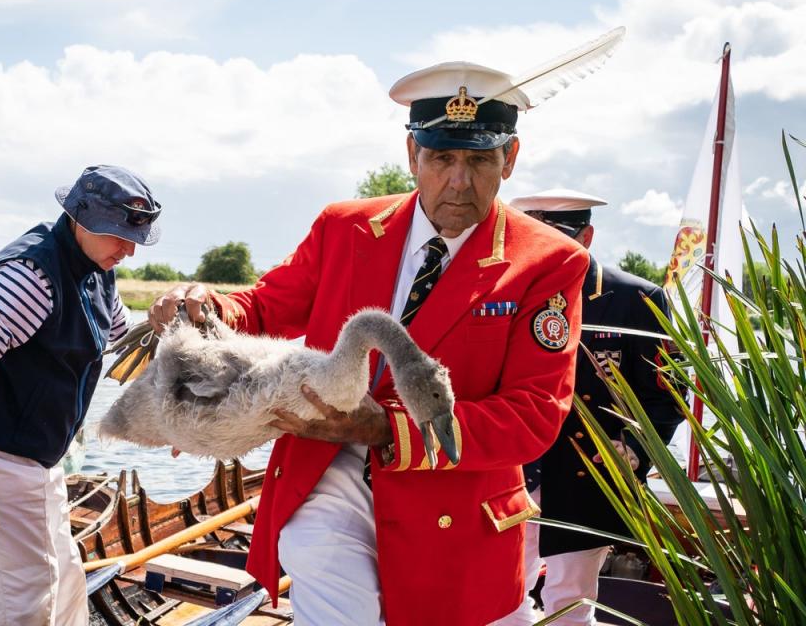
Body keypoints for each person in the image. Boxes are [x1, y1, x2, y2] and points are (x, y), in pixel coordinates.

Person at [148, 61, 595, 626]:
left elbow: (533, 417)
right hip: (325, 469)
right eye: (441, 159)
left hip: (455, 512)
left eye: (480, 160)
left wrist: (389, 430)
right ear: (412, 156)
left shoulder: (550, 261)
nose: (459, 181)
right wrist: (208, 309)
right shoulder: (344, 227)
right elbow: (263, 306)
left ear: (510, 158)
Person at [0, 165, 162, 626]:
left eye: (134, 235)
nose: (129, 249)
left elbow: (120, 343)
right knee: (21, 604)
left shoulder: (96, 268)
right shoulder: (30, 278)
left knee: (66, 584)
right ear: (79, 216)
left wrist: (161, 329)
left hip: (38, 457)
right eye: (118, 233)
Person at [495, 189, 684, 626]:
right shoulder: (503, 293)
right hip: (511, 471)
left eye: (558, 238)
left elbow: (667, 394)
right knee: (499, 599)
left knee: (571, 602)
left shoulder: (634, 300)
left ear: (587, 236)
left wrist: (633, 450)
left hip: (587, 473)